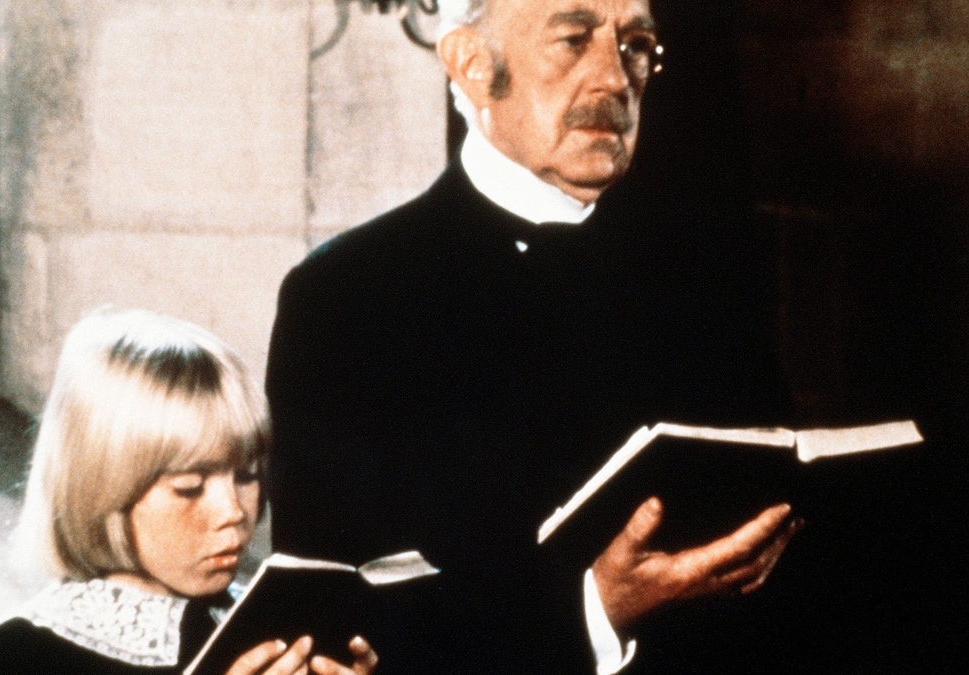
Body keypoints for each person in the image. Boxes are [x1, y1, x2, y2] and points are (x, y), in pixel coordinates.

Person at [265, 0, 802, 673]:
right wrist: (592, 613)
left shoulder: (707, 282)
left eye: (635, 45)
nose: (615, 78)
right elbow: (331, 624)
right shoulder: (345, 298)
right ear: (471, 65)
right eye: (573, 40)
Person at [0, 309, 380, 675]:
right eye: (190, 488)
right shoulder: (25, 653)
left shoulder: (271, 621)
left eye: (247, 476)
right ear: (102, 491)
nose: (233, 511)